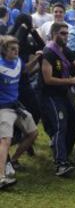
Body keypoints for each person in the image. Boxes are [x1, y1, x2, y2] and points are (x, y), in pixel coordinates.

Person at [39, 22, 75, 176]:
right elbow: (48, 79)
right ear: (54, 34)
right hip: (51, 94)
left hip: (65, 93)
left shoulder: (65, 49)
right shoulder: (49, 52)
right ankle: (61, 164)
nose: (66, 36)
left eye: (67, 33)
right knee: (60, 126)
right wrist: (71, 81)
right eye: (62, 33)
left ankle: (64, 152)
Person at [0, 35, 38, 189]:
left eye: (17, 49)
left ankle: (13, 160)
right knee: (5, 140)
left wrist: (37, 60)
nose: (16, 52)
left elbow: (25, 70)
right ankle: (1, 177)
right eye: (12, 49)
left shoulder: (18, 62)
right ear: (4, 51)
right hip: (3, 109)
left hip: (17, 106)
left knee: (33, 132)